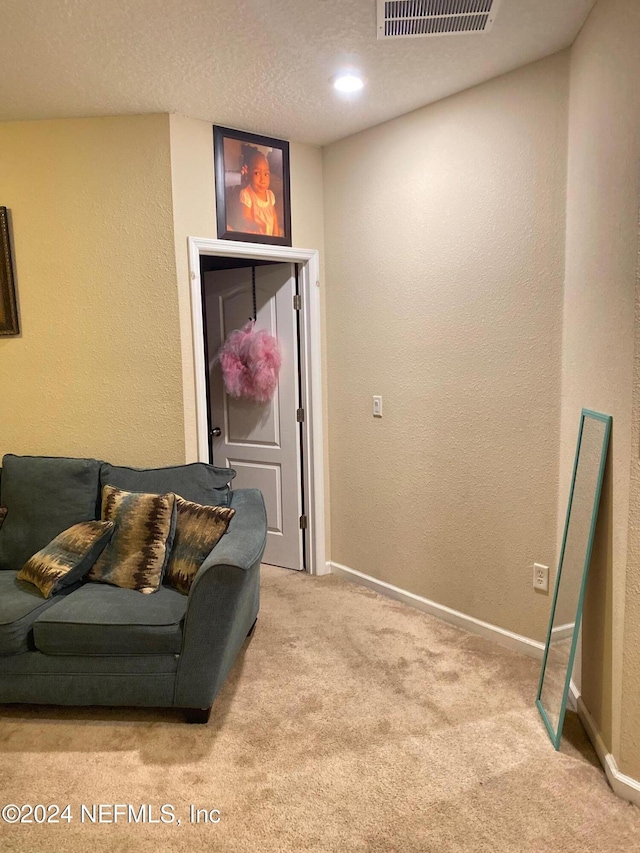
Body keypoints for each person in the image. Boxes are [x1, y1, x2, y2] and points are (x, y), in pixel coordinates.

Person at [239, 150, 281, 236]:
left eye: (266, 174)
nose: (262, 180)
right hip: (254, 238)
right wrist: (256, 226)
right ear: (248, 174)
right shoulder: (247, 194)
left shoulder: (270, 195)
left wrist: (276, 236)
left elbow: (274, 219)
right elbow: (245, 218)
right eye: (257, 173)